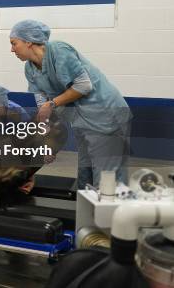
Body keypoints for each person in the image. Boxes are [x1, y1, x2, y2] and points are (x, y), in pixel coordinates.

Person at [9, 19, 131, 189]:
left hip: (106, 115)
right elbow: (41, 100)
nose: (12, 49)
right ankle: (87, 213)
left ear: (28, 41)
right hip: (83, 121)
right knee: (85, 172)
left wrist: (53, 104)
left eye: (14, 43)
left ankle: (110, 213)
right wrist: (45, 138)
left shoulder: (59, 50)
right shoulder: (30, 68)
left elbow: (84, 85)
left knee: (106, 176)